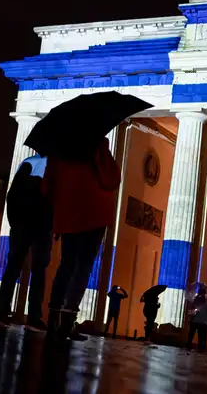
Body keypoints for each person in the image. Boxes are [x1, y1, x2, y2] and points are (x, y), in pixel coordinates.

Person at [42, 137, 120, 341]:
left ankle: (53, 318)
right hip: (95, 214)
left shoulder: (59, 149)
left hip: (69, 213)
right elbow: (112, 179)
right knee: (83, 267)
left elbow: (48, 186)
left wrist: (56, 211)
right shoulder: (98, 145)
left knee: (66, 264)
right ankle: (68, 321)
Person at [0, 155, 53, 332]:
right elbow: (53, 201)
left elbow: (12, 196)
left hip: (22, 224)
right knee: (38, 271)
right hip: (40, 227)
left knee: (13, 266)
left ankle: (3, 312)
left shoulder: (28, 163)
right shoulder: (53, 168)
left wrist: (14, 221)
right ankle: (33, 317)